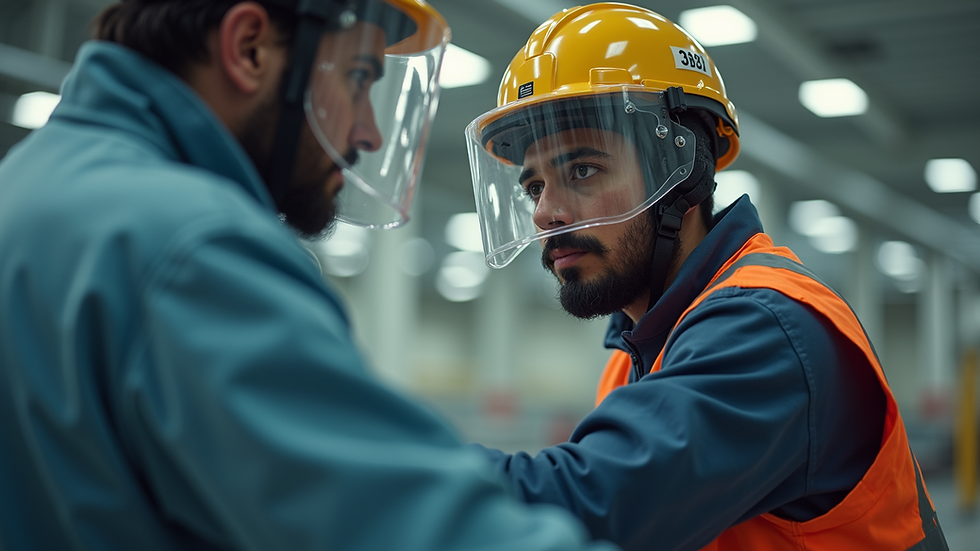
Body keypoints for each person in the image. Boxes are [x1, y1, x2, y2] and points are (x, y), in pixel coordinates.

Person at [0, 1, 618, 550]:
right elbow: (414, 526)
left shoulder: (26, 189)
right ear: (249, 50)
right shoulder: (189, 246)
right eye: (357, 79)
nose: (368, 132)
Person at [464, 4, 949, 551]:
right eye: (534, 187)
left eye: (582, 170)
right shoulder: (636, 354)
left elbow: (583, 509)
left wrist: (380, 452)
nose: (545, 212)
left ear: (683, 174)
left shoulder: (767, 327)